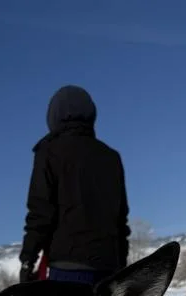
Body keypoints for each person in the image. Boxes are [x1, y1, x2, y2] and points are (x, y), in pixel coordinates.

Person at [19, 85, 130, 285]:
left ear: (53, 117)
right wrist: (121, 265)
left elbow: (40, 212)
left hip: (67, 266)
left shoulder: (49, 153)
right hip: (109, 266)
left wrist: (28, 259)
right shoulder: (111, 158)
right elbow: (120, 219)